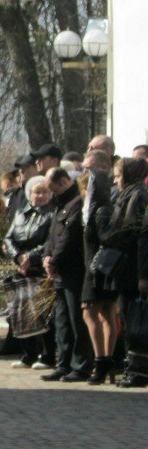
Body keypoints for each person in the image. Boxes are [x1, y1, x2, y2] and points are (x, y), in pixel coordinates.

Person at [90, 158, 148, 386]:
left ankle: (138, 371)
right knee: (128, 316)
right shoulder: (128, 194)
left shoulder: (138, 195)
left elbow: (137, 235)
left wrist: (143, 275)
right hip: (126, 266)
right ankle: (133, 368)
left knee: (135, 320)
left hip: (133, 265)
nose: (116, 180)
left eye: (118, 175)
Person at [40, 168, 92, 382]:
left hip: (73, 269)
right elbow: (51, 235)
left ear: (63, 182)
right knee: (61, 320)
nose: (51, 193)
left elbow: (69, 237)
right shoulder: (59, 205)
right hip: (59, 270)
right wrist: (46, 256)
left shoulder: (76, 203)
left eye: (53, 188)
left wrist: (54, 260)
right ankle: (64, 362)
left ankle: (80, 365)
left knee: (75, 320)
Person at [2, 176, 54, 369]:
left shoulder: (51, 214)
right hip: (20, 270)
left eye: (44, 192)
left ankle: (47, 355)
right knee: (23, 312)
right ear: (29, 194)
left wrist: (30, 257)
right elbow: (9, 237)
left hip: (38, 268)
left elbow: (49, 241)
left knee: (42, 313)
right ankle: (28, 354)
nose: (40, 196)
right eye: (36, 192)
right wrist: (18, 256)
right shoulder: (21, 213)